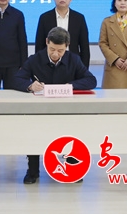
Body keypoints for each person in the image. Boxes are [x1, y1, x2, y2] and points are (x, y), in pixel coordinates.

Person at [14, 27, 97, 184]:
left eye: (60, 50)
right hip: (40, 109)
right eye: (52, 49)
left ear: (67, 46)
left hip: (66, 109)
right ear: (47, 42)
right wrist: (30, 85)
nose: (55, 54)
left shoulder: (73, 59)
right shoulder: (35, 59)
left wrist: (71, 85)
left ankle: (72, 170)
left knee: (71, 137)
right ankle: (33, 171)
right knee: (34, 134)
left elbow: (91, 80)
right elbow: (17, 79)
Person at [35, 0, 90, 68]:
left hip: (73, 63)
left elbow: (84, 46)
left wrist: (84, 68)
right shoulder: (45, 18)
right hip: (50, 62)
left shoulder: (79, 18)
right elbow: (39, 44)